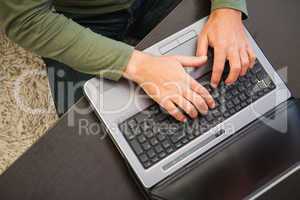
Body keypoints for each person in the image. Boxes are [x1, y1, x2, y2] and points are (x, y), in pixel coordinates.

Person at [0, 0, 256, 122]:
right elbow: (27, 20)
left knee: (243, 82)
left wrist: (227, 8)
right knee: (88, 134)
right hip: (79, 20)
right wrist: (137, 65)